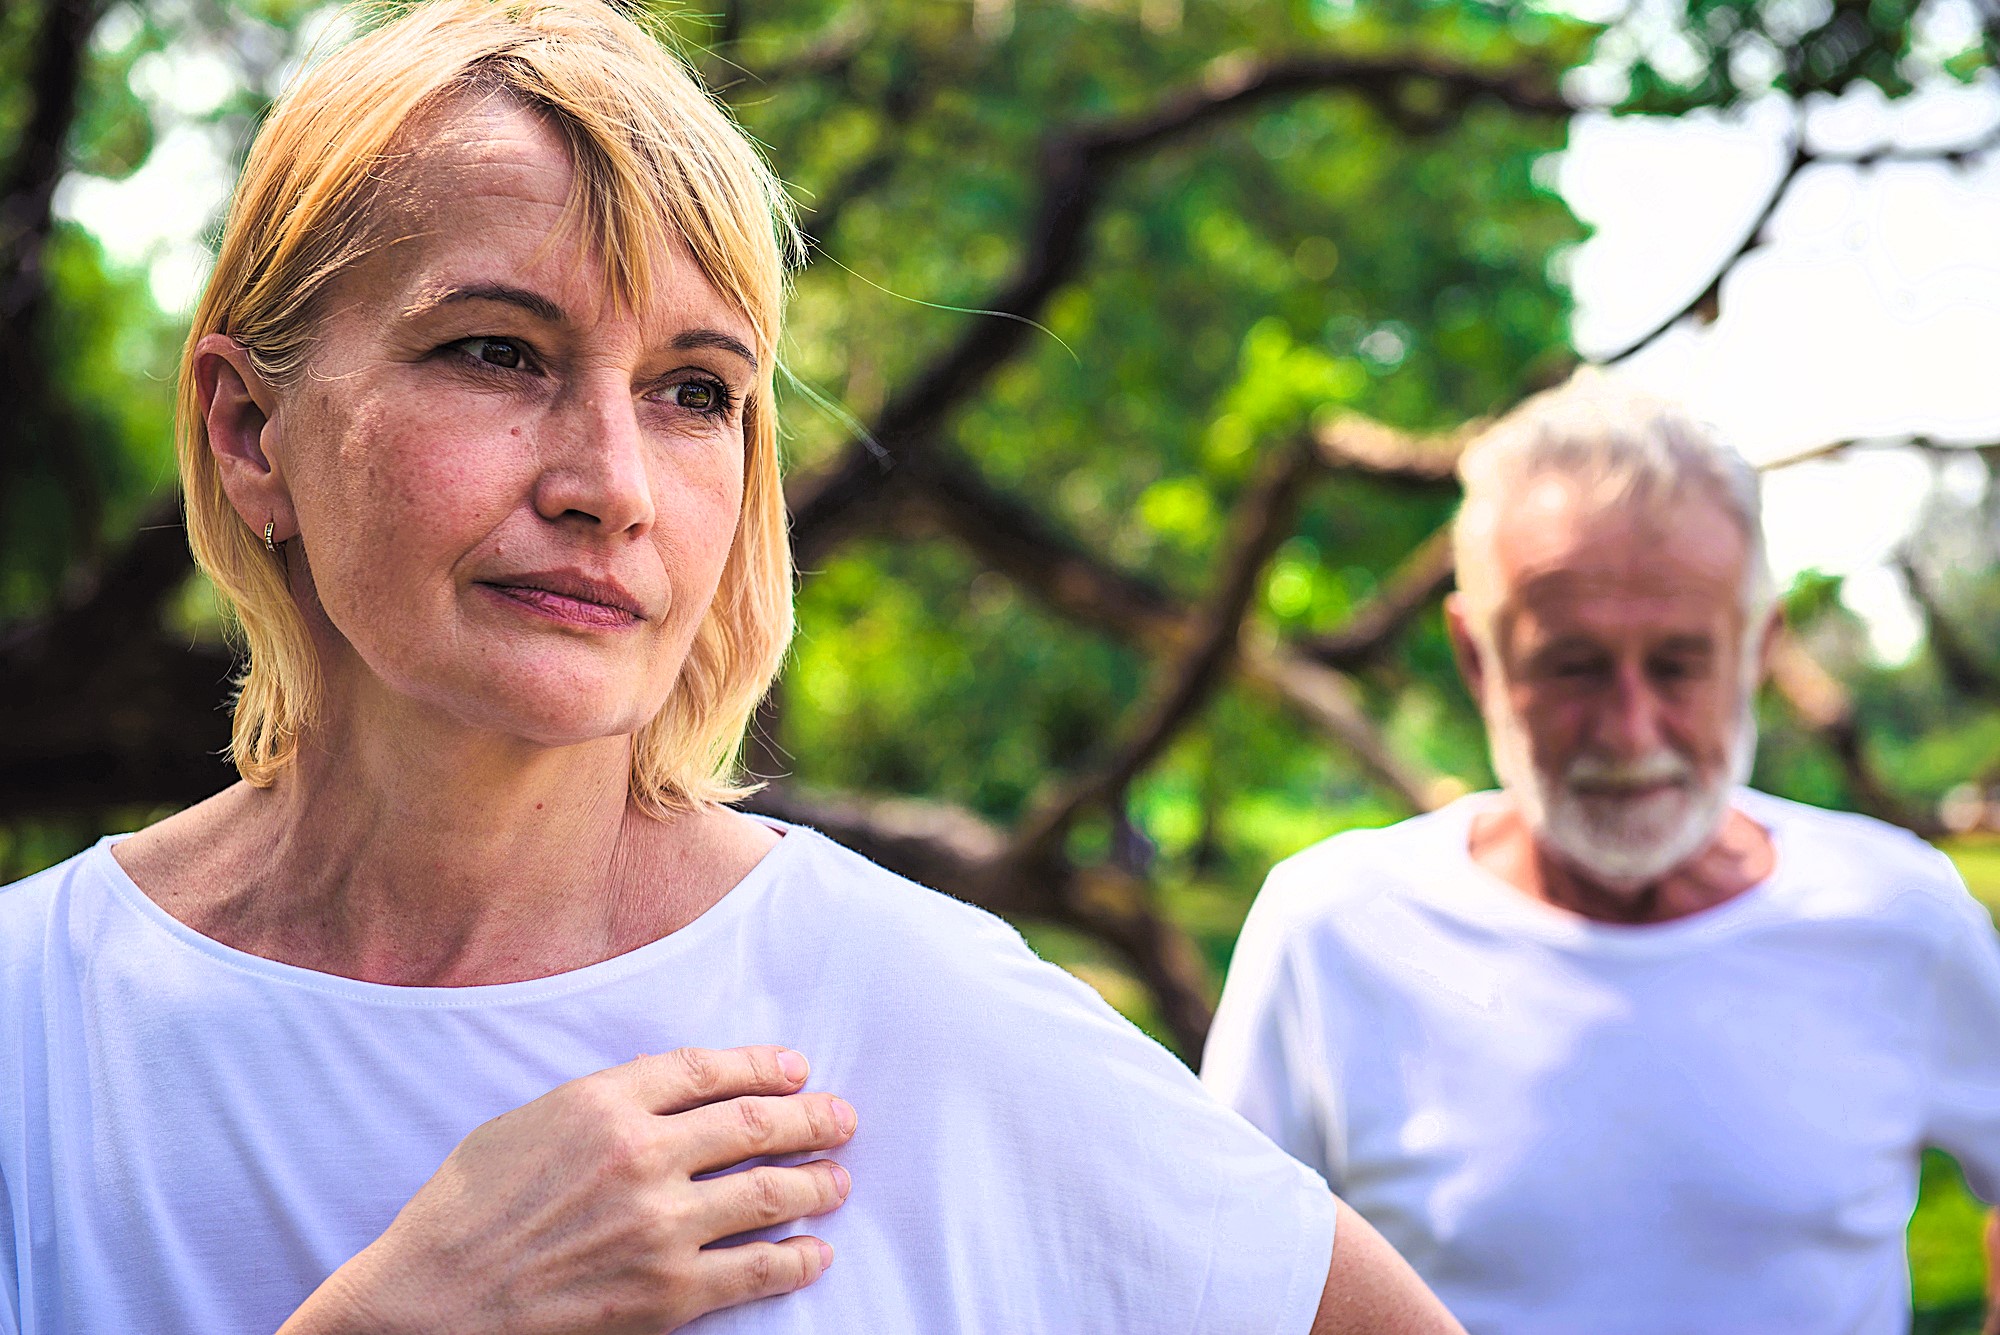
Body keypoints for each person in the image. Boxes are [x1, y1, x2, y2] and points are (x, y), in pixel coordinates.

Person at [0, 3, 1466, 1332]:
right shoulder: (34, 1019)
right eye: (499, 352)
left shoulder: (911, 1008)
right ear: (253, 431)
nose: (612, 482)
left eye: (695, 391)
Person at [1202, 372, 2000, 1334]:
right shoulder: (1330, 928)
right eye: (1572, 665)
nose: (1629, 732)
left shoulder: (1901, 916)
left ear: (1759, 648)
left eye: (1678, 665)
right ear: (1475, 656)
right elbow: (1223, 1277)